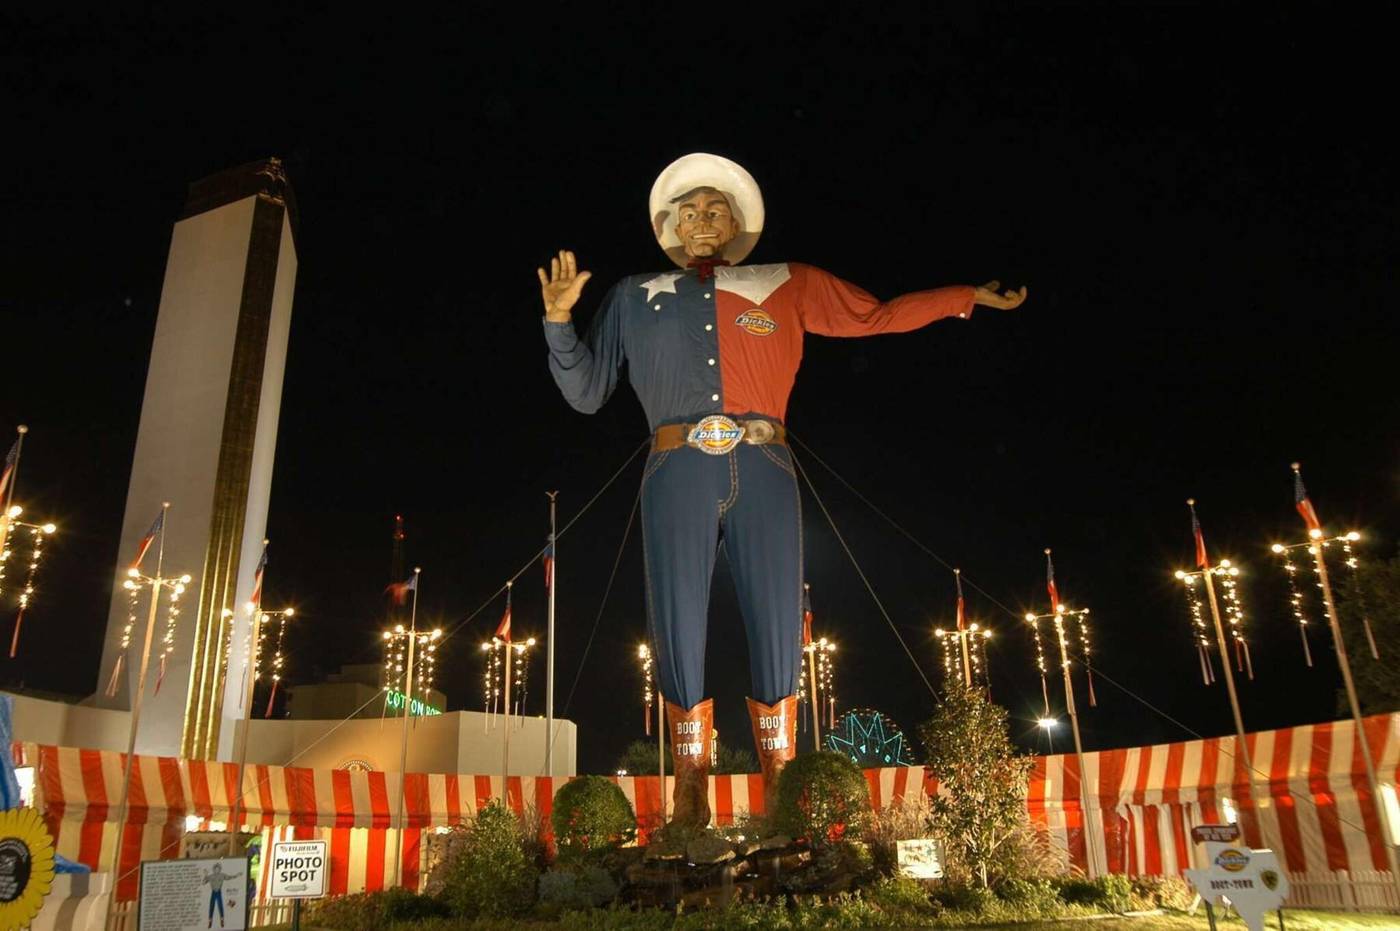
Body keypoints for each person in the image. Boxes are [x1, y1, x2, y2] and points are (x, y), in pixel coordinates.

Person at [540, 153, 1025, 826]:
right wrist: (559, 322)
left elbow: (876, 315)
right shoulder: (633, 293)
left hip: (765, 460)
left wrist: (963, 297)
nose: (701, 220)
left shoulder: (784, 281)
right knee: (676, 614)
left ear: (736, 223)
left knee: (777, 614)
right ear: (670, 226)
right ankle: (689, 786)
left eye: (715, 210)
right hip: (676, 466)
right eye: (689, 211)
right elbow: (588, 391)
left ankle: (784, 783)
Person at [202, 862, 240, 928]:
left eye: (218, 869)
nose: (217, 870)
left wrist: (236, 875)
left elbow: (229, 877)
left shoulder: (222, 875)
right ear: (214, 869)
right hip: (213, 892)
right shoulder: (211, 876)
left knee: (220, 906)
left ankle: (222, 920)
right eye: (216, 869)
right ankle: (210, 921)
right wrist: (205, 875)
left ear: (220, 869)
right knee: (211, 906)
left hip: (219, 892)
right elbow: (203, 883)